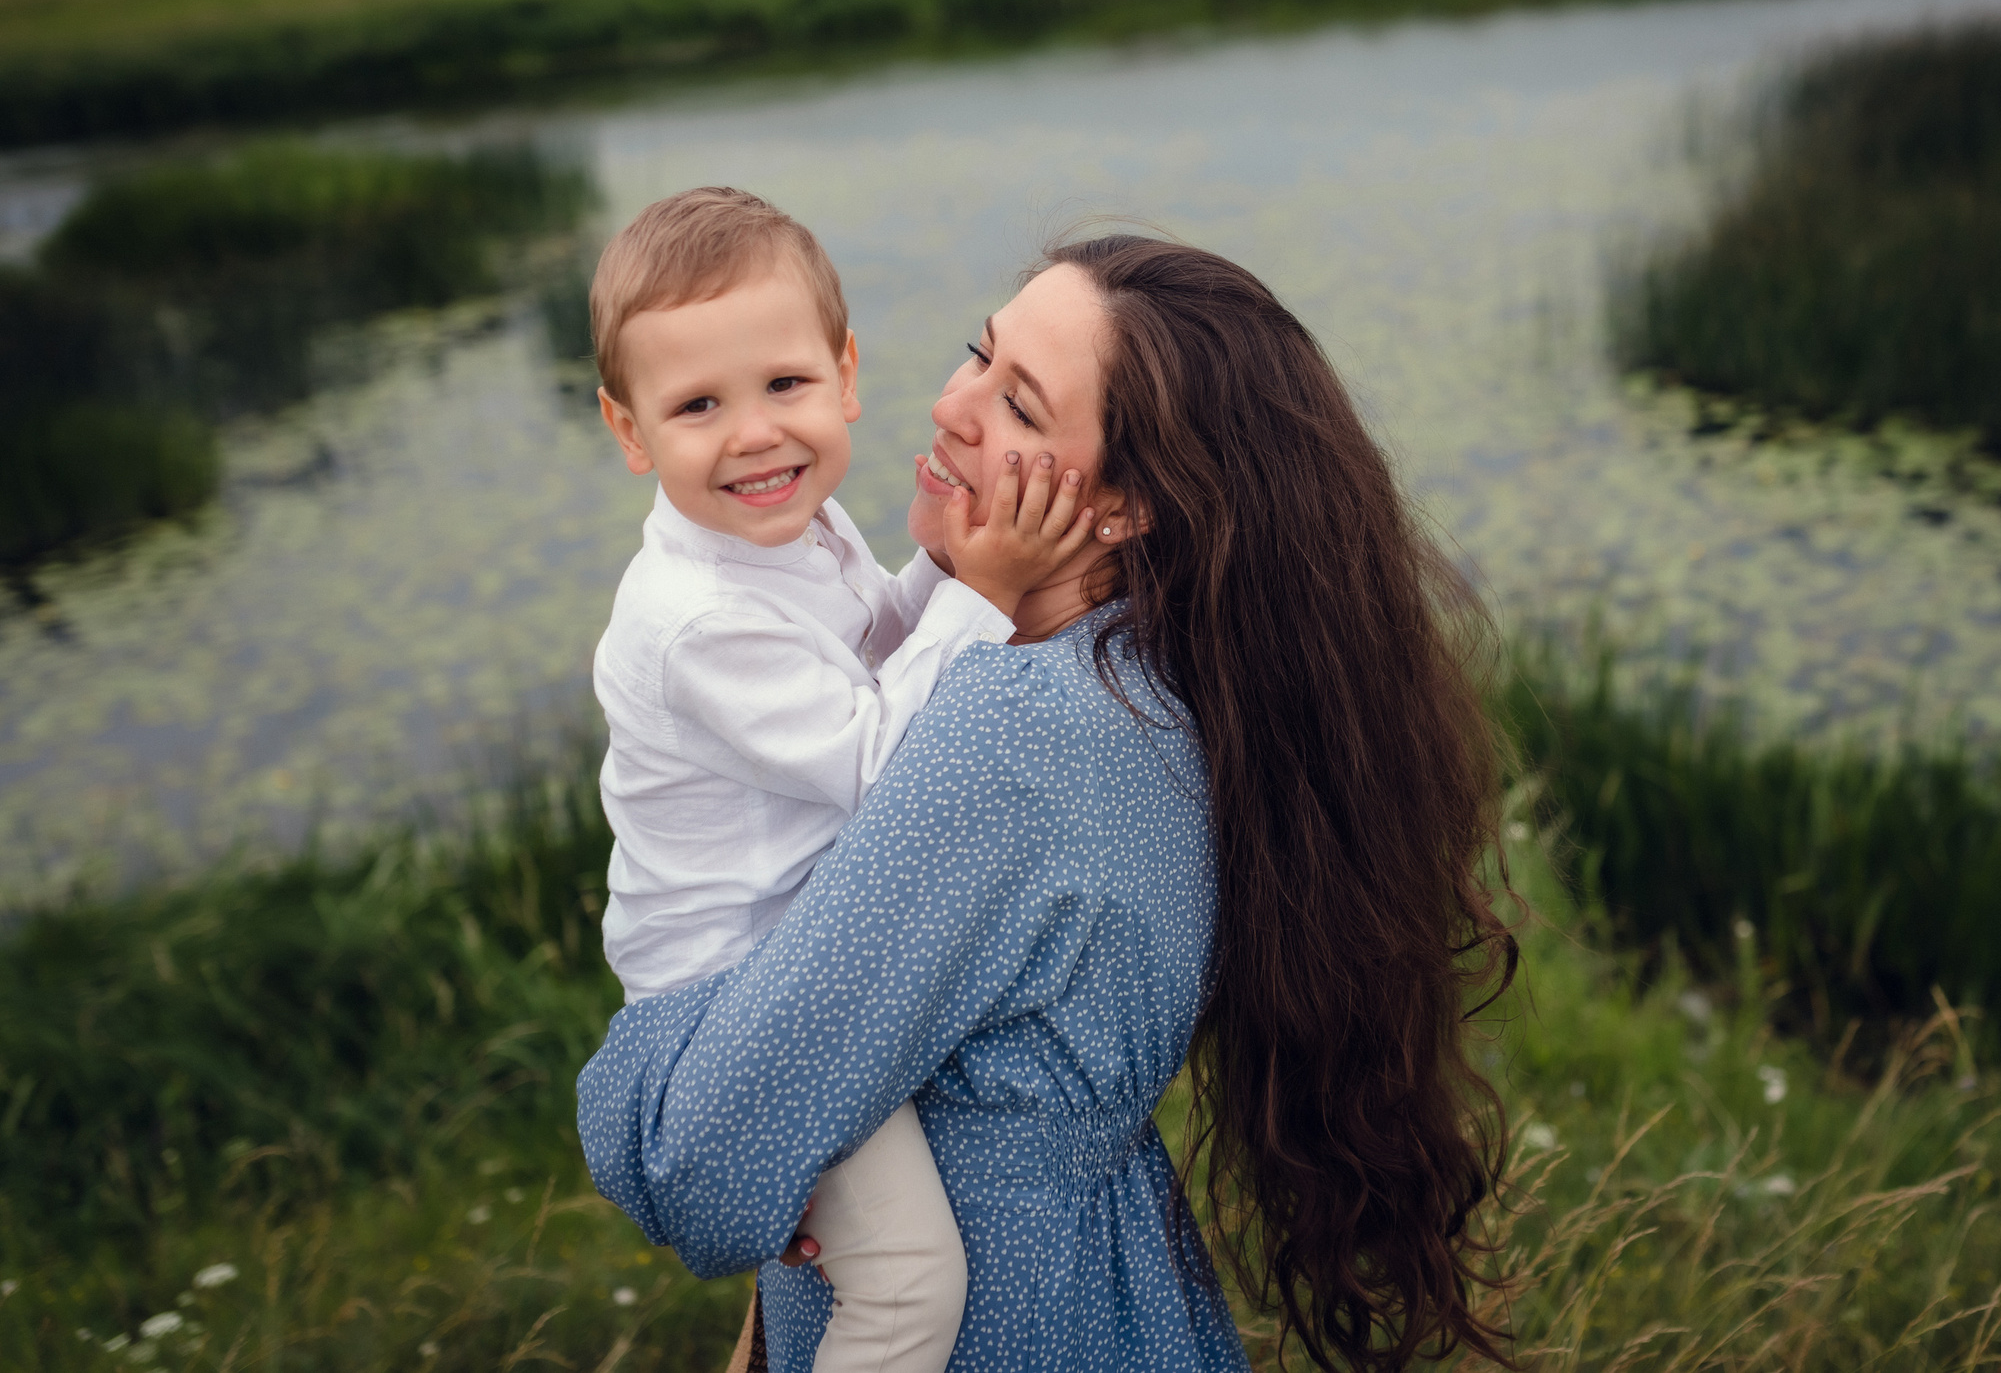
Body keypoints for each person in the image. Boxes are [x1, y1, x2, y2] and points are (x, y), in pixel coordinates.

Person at [580, 233, 1516, 1372]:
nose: (949, 406)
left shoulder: (1006, 733)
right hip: (1113, 1292)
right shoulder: (1157, 680)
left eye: (1018, 405)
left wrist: (655, 1103)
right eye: (978, 353)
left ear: (1124, 506)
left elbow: (702, 1165)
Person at [586, 186, 1095, 1373]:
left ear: (845, 372)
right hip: (731, 1009)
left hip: (801, 962)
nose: (755, 434)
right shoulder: (695, 621)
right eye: (698, 404)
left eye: (784, 384)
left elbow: (877, 650)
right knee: (909, 1279)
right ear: (629, 429)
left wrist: (953, 564)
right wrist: (989, 588)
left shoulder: (794, 529)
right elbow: (881, 762)